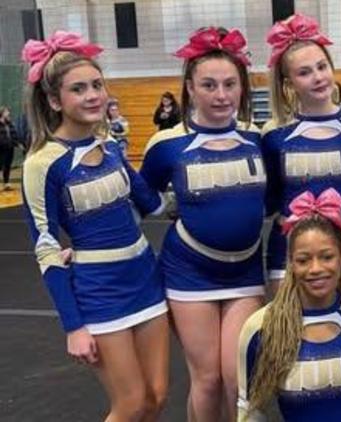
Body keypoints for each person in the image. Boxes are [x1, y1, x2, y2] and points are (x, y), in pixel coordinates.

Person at [21, 31, 169, 420]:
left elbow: (151, 204)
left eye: (97, 85)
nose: (92, 95)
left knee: (156, 396)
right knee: (131, 402)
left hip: (145, 280)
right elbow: (47, 245)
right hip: (100, 293)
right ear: (55, 101)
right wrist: (74, 326)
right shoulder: (43, 163)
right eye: (78, 89)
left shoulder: (109, 146)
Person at [139, 27, 266, 422]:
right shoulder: (166, 144)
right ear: (190, 88)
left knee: (237, 378)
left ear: (242, 87)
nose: (221, 95)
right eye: (209, 85)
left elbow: (274, 194)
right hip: (189, 271)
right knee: (207, 378)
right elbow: (142, 201)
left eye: (230, 84)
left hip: (245, 269)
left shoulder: (257, 138)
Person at [237, 188, 341, 421]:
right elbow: (250, 410)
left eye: (326, 257)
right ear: (291, 262)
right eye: (303, 260)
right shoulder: (262, 326)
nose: (316, 269)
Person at [263, 14, 341, 299]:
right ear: (288, 82)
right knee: (291, 339)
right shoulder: (274, 134)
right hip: (293, 250)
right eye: (304, 72)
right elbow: (271, 199)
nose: (317, 77)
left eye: (321, 66)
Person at [0, 106, 21, 190]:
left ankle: (6, 183)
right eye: (6, 112)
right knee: (1, 165)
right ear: (2, 114)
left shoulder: (10, 124)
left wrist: (17, 143)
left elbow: (14, 135)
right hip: (1, 149)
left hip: (10, 148)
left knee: (7, 166)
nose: (8, 114)